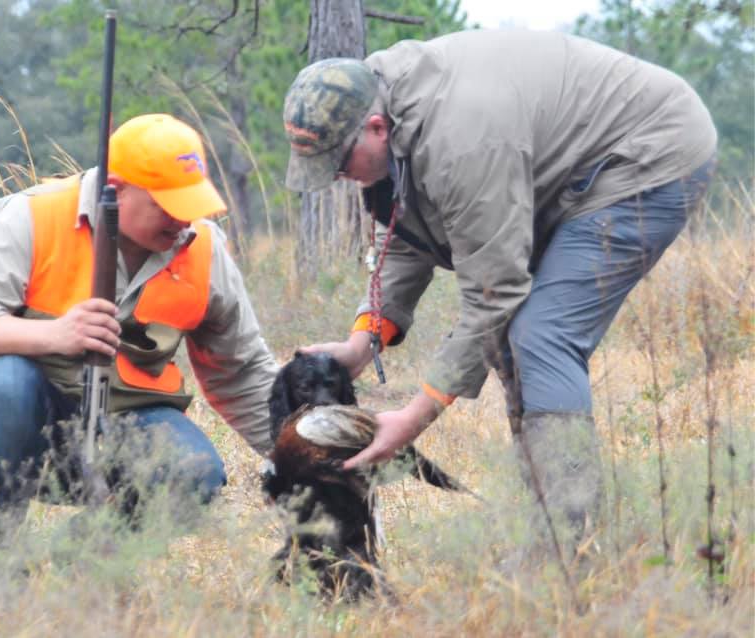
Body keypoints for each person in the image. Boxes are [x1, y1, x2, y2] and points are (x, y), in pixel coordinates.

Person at [282, 30, 716, 542]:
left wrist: (414, 417)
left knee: (541, 334)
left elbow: (495, 293)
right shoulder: (371, 96)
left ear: (376, 129)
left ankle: (564, 537)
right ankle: (542, 514)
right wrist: (363, 341)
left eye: (338, 165)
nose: (336, 179)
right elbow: (403, 232)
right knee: (517, 341)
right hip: (568, 168)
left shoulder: (462, 141)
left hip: (647, 153)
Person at [0, 113, 278, 530]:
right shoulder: (31, 218)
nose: (182, 222)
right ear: (116, 191)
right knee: (6, 387)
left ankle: (80, 563)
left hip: (119, 426)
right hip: (3, 426)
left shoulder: (204, 249)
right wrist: (55, 334)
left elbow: (243, 372)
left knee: (193, 471)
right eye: (167, 206)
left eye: (191, 205)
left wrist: (308, 453)